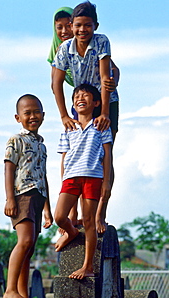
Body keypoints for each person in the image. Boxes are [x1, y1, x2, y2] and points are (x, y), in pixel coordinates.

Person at [52, 1, 119, 233]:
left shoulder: (101, 41)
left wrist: (105, 114)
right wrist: (63, 116)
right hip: (80, 103)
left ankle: (99, 213)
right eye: (78, 25)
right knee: (77, 154)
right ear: (72, 26)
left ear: (95, 26)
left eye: (87, 26)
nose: (83, 30)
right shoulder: (65, 49)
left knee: (103, 154)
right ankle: (73, 214)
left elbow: (105, 77)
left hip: (105, 101)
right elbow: (56, 83)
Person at [54, 83, 112, 279]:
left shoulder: (101, 125)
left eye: (86, 95)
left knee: (89, 222)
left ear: (96, 102)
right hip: (71, 177)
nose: (80, 98)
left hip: (93, 176)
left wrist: (106, 182)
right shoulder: (68, 128)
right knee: (60, 217)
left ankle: (88, 266)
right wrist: (63, 180)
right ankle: (71, 233)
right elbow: (63, 158)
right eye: (77, 96)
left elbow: (107, 155)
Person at [3, 94, 53, 298]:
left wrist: (47, 209)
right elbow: (8, 169)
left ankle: (21, 293)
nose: (33, 116)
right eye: (27, 113)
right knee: (23, 241)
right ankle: (10, 290)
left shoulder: (41, 146)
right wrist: (10, 199)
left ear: (43, 115)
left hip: (38, 197)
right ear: (18, 117)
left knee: (30, 246)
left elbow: (44, 177)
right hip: (22, 194)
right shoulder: (16, 140)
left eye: (36, 112)